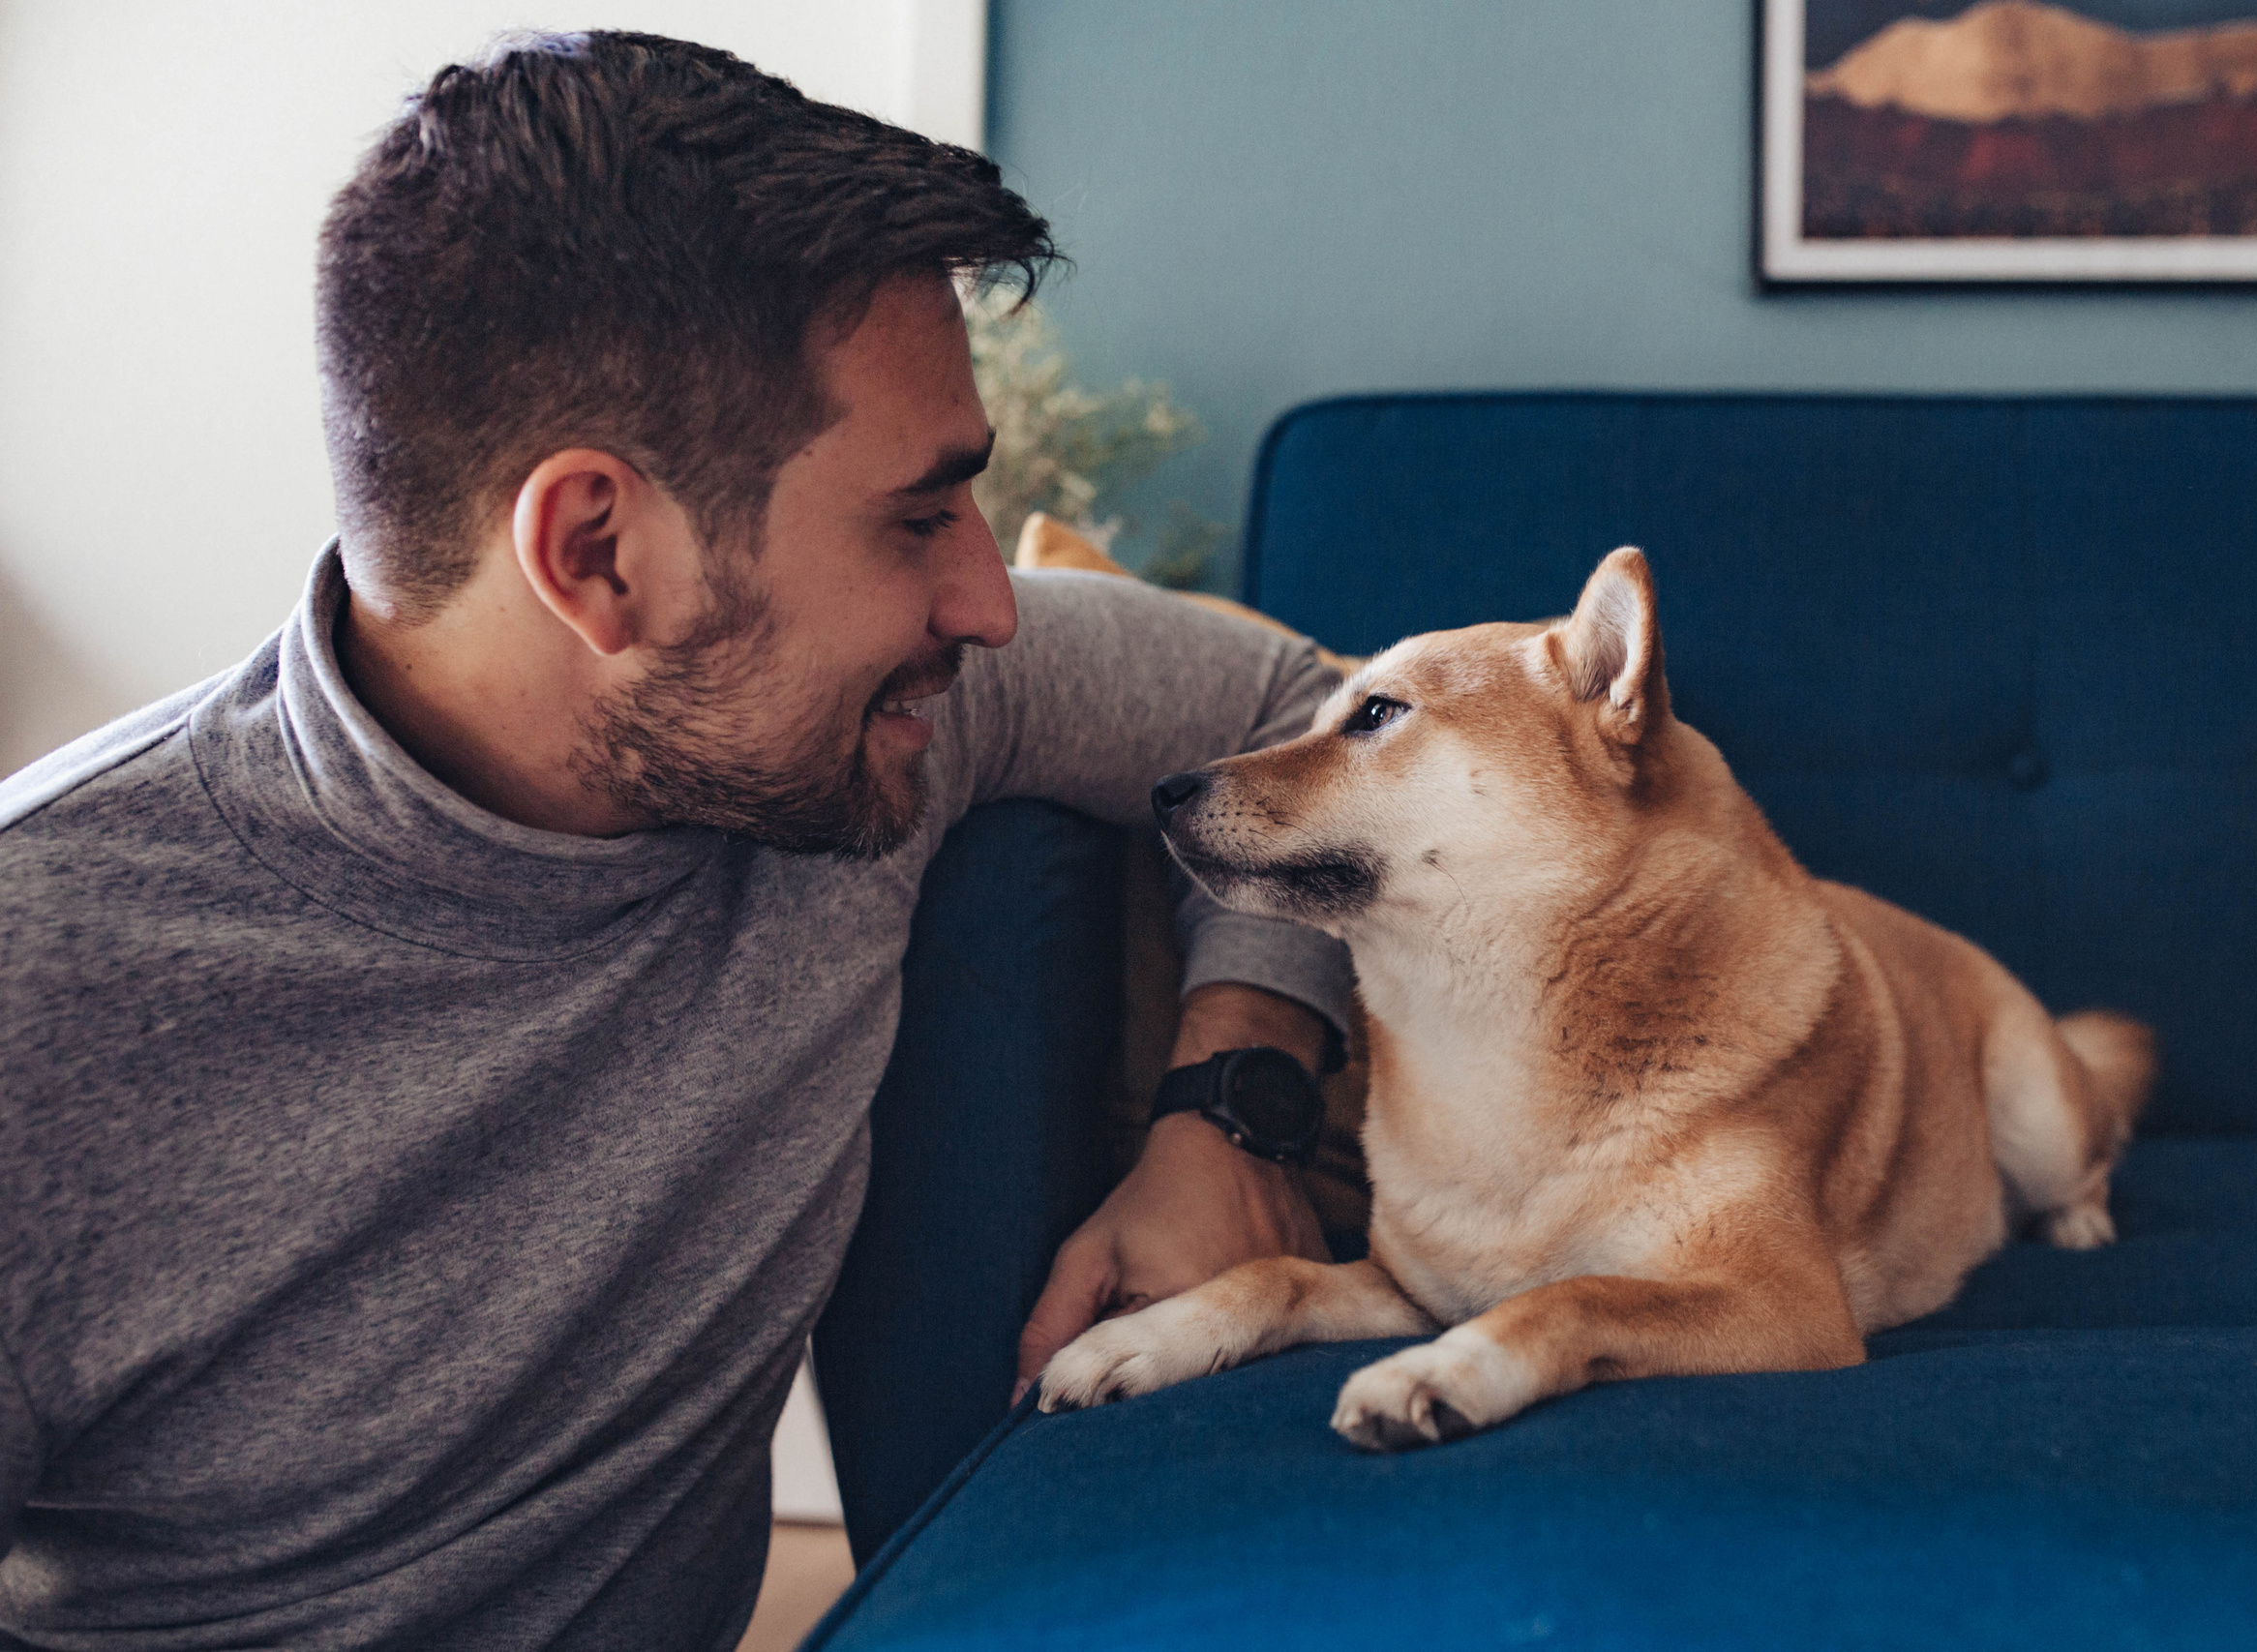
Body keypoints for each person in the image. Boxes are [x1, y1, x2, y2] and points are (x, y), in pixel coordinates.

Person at [0, 32, 1348, 1651]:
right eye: (918, 514)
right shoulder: (46, 990)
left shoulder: (873, 728)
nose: (988, 603)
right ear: (598, 550)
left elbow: (1300, 713)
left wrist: (1232, 1109)